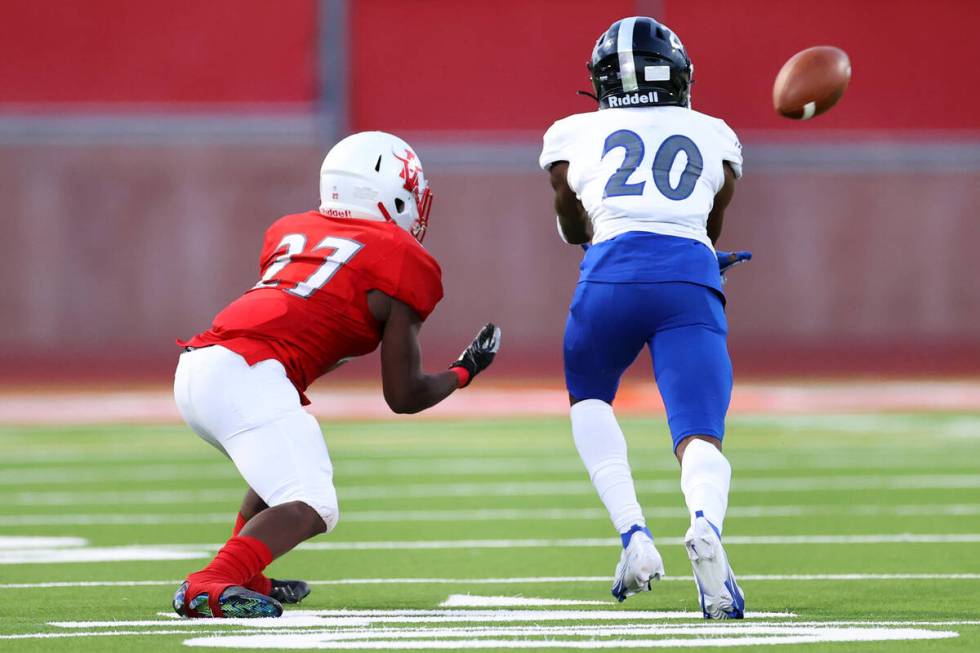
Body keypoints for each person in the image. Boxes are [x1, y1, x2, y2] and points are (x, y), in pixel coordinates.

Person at [171, 131, 501, 618]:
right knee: (312, 502)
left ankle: (248, 573)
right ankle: (211, 583)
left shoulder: (290, 229)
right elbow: (403, 394)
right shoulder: (401, 258)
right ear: (388, 193)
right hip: (246, 373)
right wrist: (464, 371)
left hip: (199, 366)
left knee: (280, 471)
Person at [539, 17, 751, 619]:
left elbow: (573, 222)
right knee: (699, 430)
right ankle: (705, 523)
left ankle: (634, 537)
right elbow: (708, 226)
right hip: (688, 276)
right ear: (679, 75)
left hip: (607, 274)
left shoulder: (572, 133)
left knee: (590, 399)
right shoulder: (715, 135)